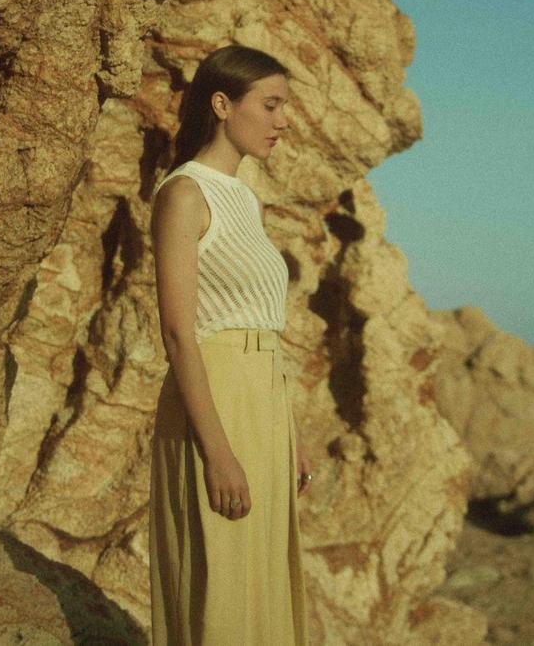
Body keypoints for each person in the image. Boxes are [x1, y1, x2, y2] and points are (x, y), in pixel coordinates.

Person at [147, 44, 312, 645]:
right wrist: (217, 452)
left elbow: (261, 326)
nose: (283, 121)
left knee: (262, 577)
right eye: (270, 105)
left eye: (285, 107)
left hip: (263, 404)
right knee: (220, 581)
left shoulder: (243, 197)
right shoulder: (184, 194)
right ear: (222, 104)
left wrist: (291, 432)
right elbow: (178, 332)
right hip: (214, 404)